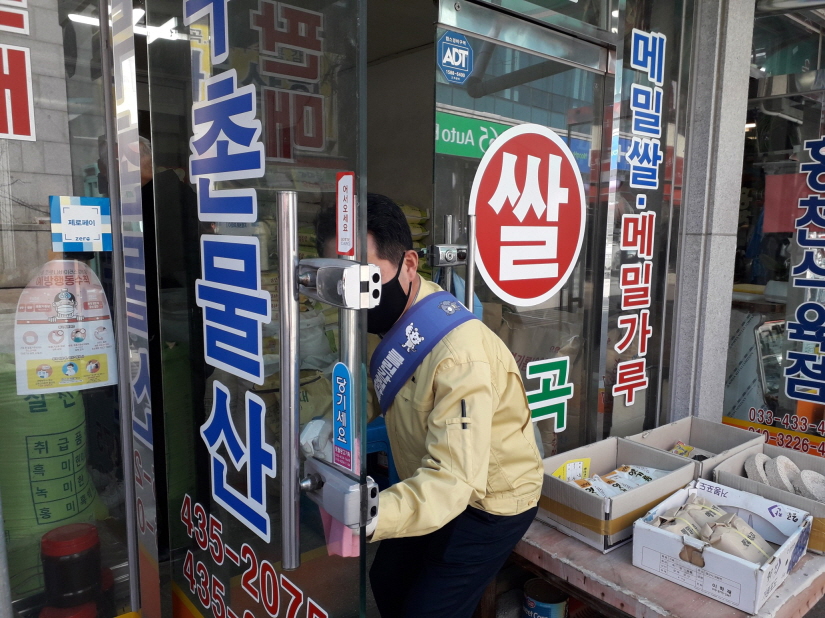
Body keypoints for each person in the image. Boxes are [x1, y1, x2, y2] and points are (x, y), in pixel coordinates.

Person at [303, 194, 544, 618]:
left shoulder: (458, 355)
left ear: (409, 264)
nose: (353, 295)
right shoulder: (396, 318)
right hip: (430, 479)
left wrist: (370, 515)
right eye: (341, 281)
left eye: (365, 275)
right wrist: (333, 424)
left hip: (490, 501)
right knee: (387, 580)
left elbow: (455, 481)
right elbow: (381, 388)